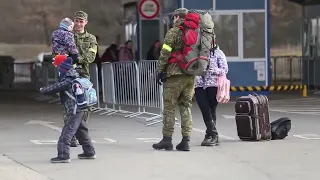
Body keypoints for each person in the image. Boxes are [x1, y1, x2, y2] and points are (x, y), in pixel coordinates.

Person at [152, 8, 195, 151]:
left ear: (177, 17)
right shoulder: (195, 32)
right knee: (186, 106)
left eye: (173, 17)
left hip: (175, 74)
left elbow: (165, 53)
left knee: (169, 107)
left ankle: (167, 139)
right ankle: (186, 140)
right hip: (190, 74)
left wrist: (159, 70)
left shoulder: (173, 32)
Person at [39, 57, 96, 163]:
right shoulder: (73, 75)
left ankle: (63, 155)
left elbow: (56, 87)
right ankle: (89, 152)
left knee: (67, 132)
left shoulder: (69, 79)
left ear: (62, 67)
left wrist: (43, 90)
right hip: (80, 108)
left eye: (57, 66)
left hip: (74, 109)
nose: (57, 69)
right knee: (81, 131)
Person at [66, 10, 98, 147]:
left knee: (84, 106)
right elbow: (59, 56)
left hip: (83, 76)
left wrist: (75, 58)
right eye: (77, 21)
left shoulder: (91, 38)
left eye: (81, 21)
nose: (79, 24)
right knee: (68, 105)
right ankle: (71, 135)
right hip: (68, 74)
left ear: (86, 22)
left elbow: (90, 57)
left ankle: (81, 134)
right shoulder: (66, 36)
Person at [194, 43, 228, 146]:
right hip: (199, 84)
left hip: (213, 84)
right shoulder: (196, 53)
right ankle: (213, 134)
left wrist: (214, 70)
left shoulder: (218, 53)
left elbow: (225, 69)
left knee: (211, 109)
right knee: (204, 108)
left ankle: (210, 135)